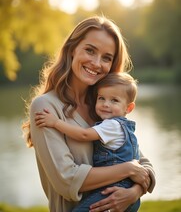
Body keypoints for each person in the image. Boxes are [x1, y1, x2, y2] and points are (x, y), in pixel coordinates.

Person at [22, 15, 155, 212]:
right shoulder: (46, 107)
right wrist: (128, 170)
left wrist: (133, 193)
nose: (96, 63)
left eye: (107, 58)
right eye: (90, 50)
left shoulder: (104, 106)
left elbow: (143, 163)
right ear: (72, 49)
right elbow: (67, 181)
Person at [35, 72, 141, 212]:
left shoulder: (111, 125)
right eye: (101, 98)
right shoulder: (123, 127)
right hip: (125, 188)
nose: (105, 104)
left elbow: (84, 134)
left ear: (128, 108)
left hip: (114, 189)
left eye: (114, 100)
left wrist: (56, 123)